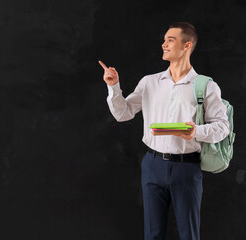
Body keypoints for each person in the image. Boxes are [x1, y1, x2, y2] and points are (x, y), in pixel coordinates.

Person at [98, 22, 230, 240]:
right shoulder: (150, 82)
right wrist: (114, 87)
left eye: (171, 40)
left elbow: (222, 127)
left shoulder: (205, 86)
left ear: (187, 45)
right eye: (164, 39)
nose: (164, 44)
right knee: (153, 234)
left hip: (186, 167)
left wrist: (195, 132)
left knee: (189, 234)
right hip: (152, 165)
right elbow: (123, 114)